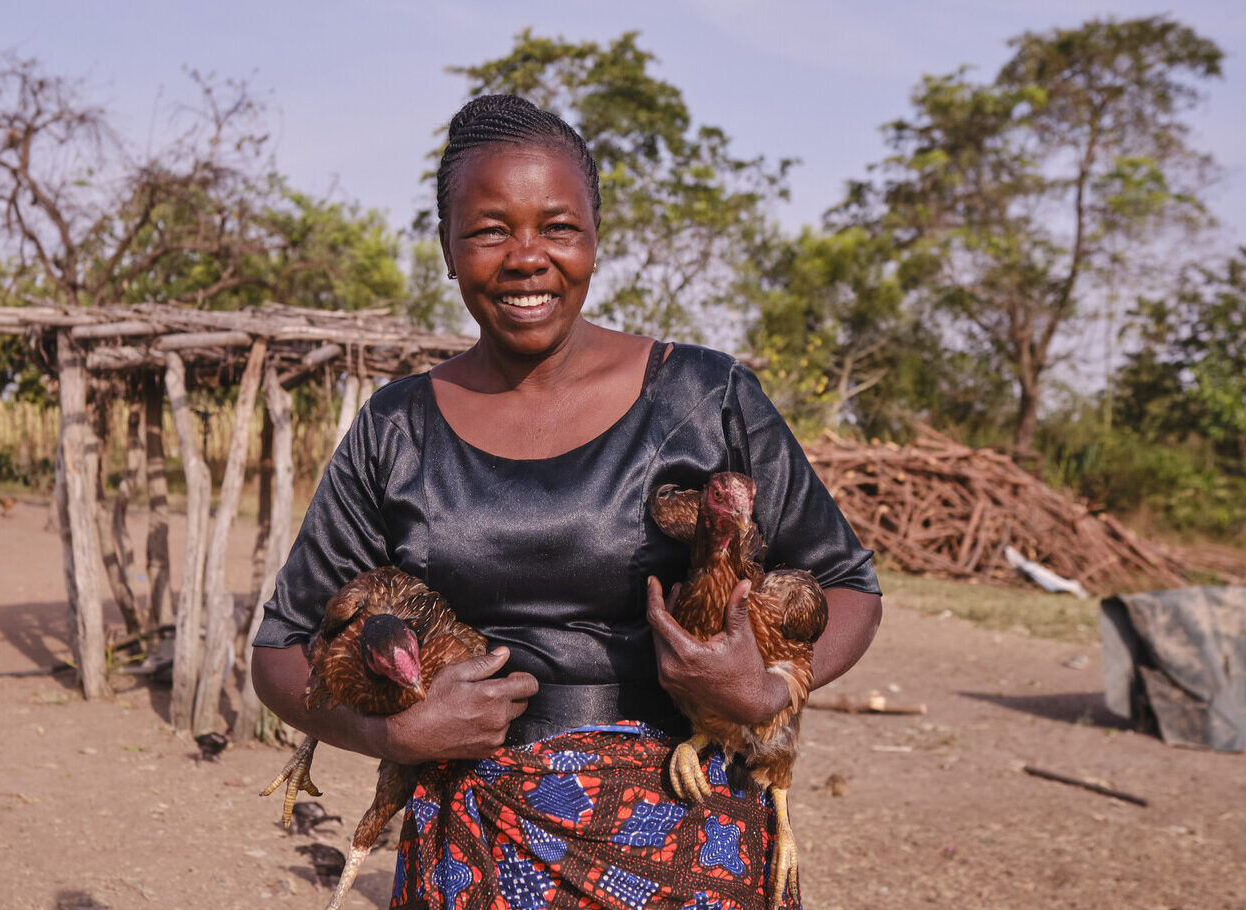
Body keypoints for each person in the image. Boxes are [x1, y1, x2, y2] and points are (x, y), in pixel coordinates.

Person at [252, 94, 881, 910]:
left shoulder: (704, 396)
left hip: (691, 847)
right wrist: (395, 735)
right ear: (446, 248)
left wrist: (767, 690)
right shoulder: (396, 428)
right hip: (473, 849)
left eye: (557, 227)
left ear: (594, 239)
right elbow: (279, 652)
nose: (526, 257)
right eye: (487, 230)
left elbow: (848, 586)